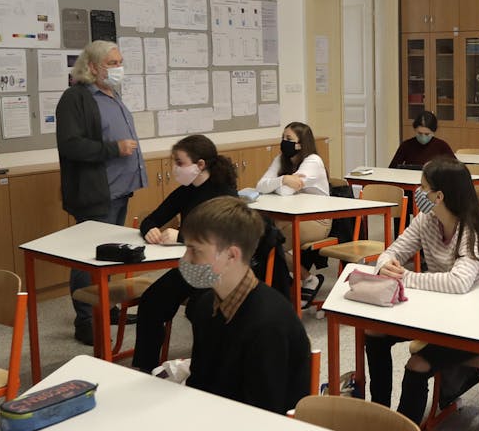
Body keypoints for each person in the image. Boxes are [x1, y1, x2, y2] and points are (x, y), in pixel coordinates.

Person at [364, 158, 479, 424]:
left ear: (439, 196)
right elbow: (393, 251)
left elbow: (458, 283)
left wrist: (406, 276)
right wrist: (385, 266)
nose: (418, 193)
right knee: (375, 333)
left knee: (417, 364)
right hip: (444, 313)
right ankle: (379, 416)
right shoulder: (426, 220)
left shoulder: (471, 228)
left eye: (423, 188)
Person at [177, 196, 311, 415]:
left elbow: (265, 412)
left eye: (195, 250)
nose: (186, 259)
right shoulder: (204, 307)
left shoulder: (269, 324)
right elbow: (199, 385)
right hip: (216, 421)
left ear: (231, 255)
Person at [57, 40, 149, 345]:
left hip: (120, 190)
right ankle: (86, 319)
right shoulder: (76, 98)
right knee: (88, 258)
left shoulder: (113, 94)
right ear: (93, 67)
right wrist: (114, 148)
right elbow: (71, 145)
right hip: (95, 193)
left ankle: (104, 307)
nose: (118, 68)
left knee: (108, 254)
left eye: (120, 61)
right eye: (112, 63)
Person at [129, 135, 239, 372]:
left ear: (200, 165)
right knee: (151, 301)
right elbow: (150, 219)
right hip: (193, 267)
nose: (175, 168)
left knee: (200, 309)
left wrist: (181, 238)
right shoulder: (186, 191)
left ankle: (204, 370)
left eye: (180, 163)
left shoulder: (224, 193)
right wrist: (150, 230)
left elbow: (225, 238)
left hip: (222, 271)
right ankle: (145, 367)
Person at [255, 122, 331, 307]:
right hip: (289, 215)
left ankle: (293, 283)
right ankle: (295, 281)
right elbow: (260, 185)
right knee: (263, 236)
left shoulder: (313, 161)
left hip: (316, 220)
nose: (284, 142)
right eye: (283, 138)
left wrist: (279, 184)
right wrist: (284, 179)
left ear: (302, 144)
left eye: (289, 139)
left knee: (269, 242)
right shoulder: (281, 158)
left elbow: (285, 192)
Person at [388, 111, 456, 169]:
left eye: (427, 134)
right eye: (419, 133)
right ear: (415, 130)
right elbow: (392, 168)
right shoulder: (406, 145)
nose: (423, 137)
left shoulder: (442, 146)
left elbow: (456, 168)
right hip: (411, 180)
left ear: (433, 132)